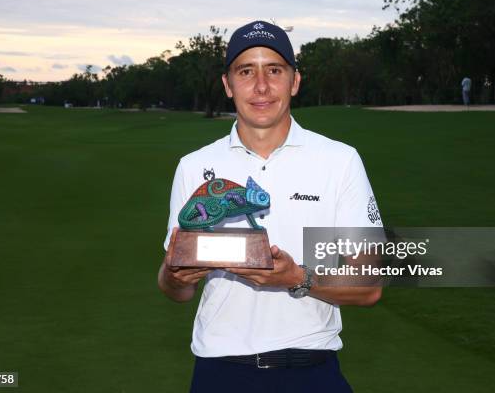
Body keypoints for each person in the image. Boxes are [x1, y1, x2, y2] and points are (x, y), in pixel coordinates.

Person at [158, 20, 383, 393]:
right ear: (228, 85)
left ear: (294, 81)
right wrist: (175, 276)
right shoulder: (193, 166)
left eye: (274, 70)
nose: (261, 86)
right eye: (246, 71)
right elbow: (175, 289)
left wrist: (297, 278)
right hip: (220, 373)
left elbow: (370, 284)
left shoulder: (339, 160)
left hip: (312, 371)